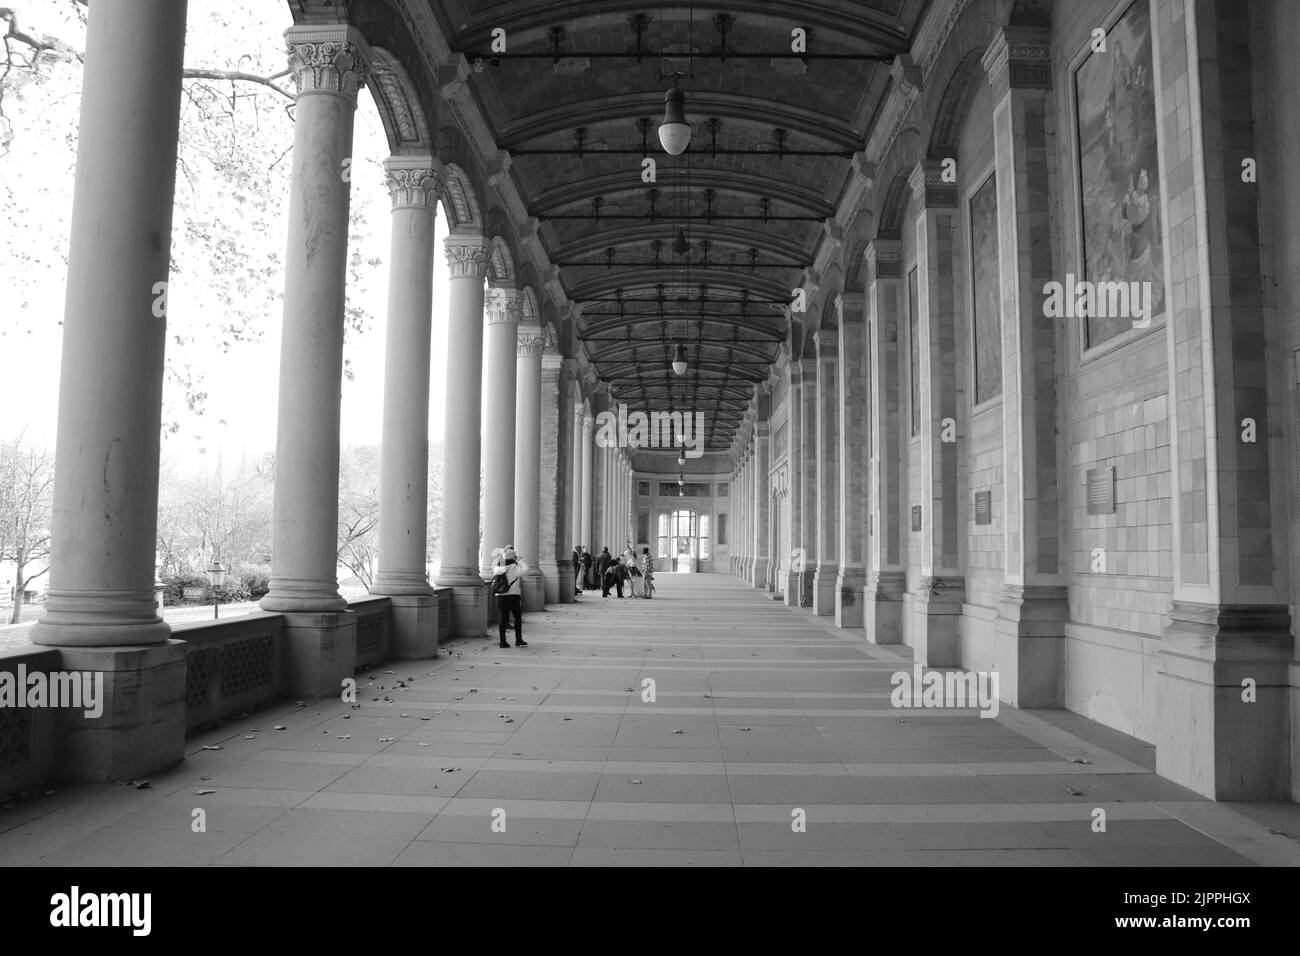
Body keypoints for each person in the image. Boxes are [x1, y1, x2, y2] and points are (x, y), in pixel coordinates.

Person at [491, 547, 528, 649]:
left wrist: (502, 557)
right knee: (517, 618)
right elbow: (526, 570)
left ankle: (503, 642)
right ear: (513, 557)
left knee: (503, 619)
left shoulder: (497, 569)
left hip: (500, 596)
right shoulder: (514, 567)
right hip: (513, 596)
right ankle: (518, 640)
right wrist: (520, 560)